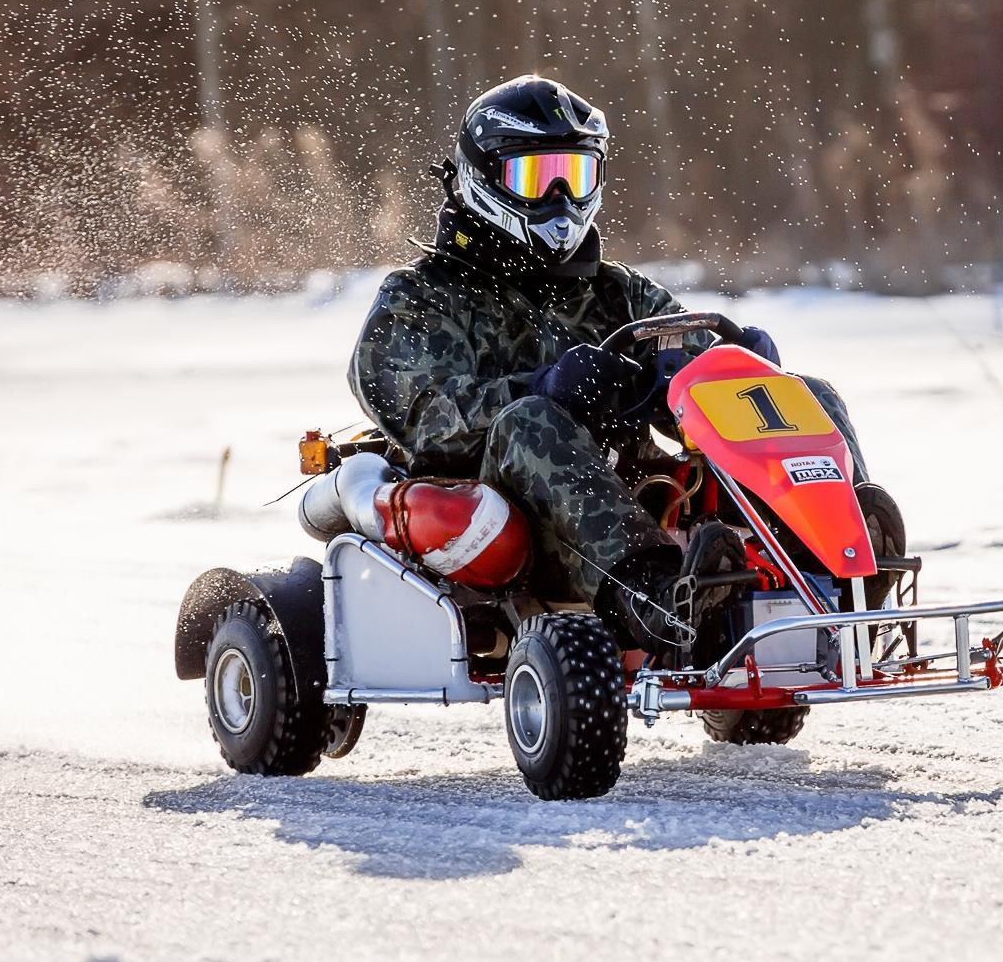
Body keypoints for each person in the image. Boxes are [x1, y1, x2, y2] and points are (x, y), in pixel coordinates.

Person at [350, 75, 890, 655]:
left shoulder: (618, 294)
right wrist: (545, 388)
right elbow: (424, 418)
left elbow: (692, 361)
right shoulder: (422, 296)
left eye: (575, 176)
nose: (560, 199)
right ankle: (655, 595)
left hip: (633, 492)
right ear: (483, 180)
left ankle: (840, 566)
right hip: (498, 513)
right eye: (536, 178)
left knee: (800, 393)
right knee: (534, 421)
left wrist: (734, 366)